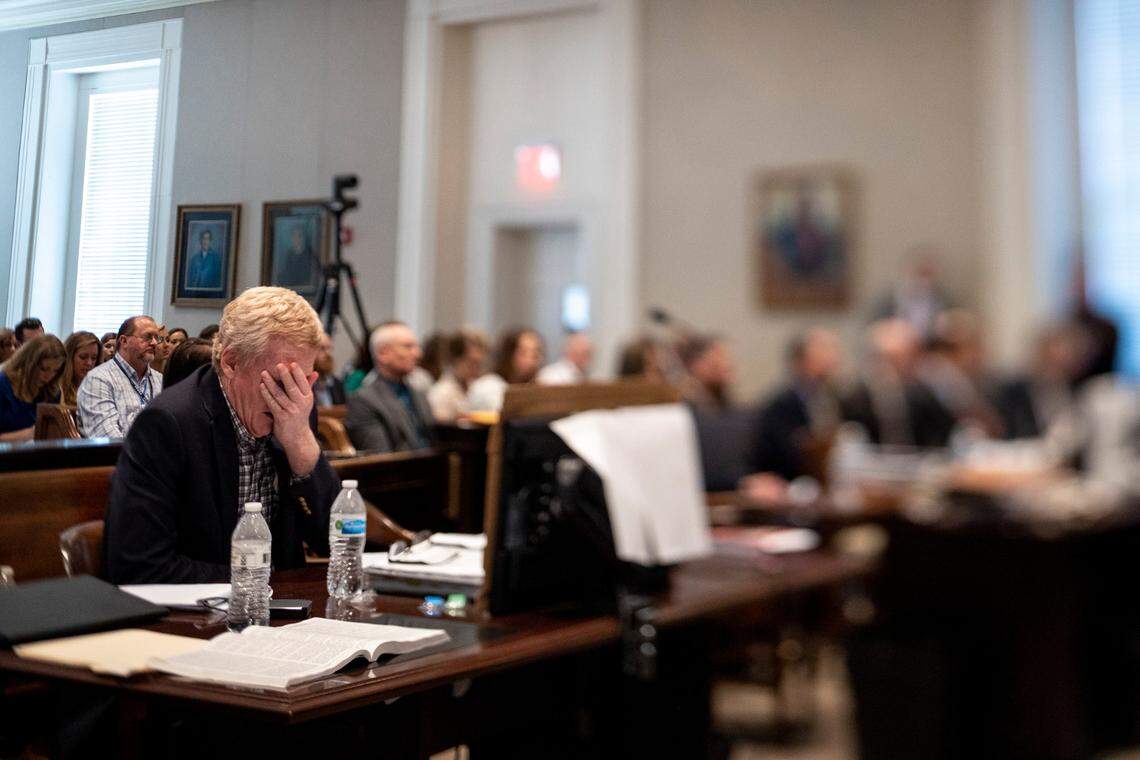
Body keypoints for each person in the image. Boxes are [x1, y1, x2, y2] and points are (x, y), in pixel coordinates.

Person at [104, 286, 337, 583]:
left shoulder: (296, 410)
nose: (293, 396)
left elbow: (332, 541)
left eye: (302, 380)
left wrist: (302, 447)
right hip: (194, 616)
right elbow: (138, 565)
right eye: (281, 380)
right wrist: (252, 581)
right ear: (231, 362)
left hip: (281, 612)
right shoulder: (168, 423)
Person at [751, 329, 844, 481]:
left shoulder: (834, 397)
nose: (834, 357)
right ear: (802, 359)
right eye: (825, 349)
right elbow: (783, 455)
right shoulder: (780, 405)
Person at [345, 322, 435, 452]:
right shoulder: (363, 401)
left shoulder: (419, 394)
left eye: (416, 346)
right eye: (408, 347)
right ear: (383, 353)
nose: (418, 354)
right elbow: (381, 459)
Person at [77, 316, 164, 439]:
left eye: (157, 338)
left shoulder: (161, 380)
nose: (154, 343)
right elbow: (107, 439)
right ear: (124, 341)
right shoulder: (98, 379)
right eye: (148, 337)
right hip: (117, 456)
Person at [870, 245, 955, 343]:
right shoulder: (888, 300)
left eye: (928, 273)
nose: (923, 280)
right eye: (920, 272)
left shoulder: (944, 300)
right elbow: (873, 328)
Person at [0, 334, 65, 441]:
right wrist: (29, 434)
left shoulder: (52, 391)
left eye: (55, 371)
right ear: (27, 363)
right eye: (43, 369)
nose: (48, 377)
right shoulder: (3, 384)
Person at [467, 328, 544, 412]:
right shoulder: (487, 386)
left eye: (536, 352)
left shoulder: (538, 388)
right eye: (523, 352)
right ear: (508, 356)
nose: (532, 360)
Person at [428, 330, 488, 422]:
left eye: (479, 363)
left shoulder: (475, 386)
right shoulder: (441, 393)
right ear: (454, 359)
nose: (477, 368)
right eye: (472, 362)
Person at [679, 334, 736, 413]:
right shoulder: (684, 404)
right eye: (719, 356)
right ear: (696, 365)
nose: (726, 364)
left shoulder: (720, 398)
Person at [60, 331, 102, 406]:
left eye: (94, 358)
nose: (89, 363)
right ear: (69, 357)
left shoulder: (101, 389)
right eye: (83, 357)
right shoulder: (57, 390)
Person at [312, 332, 345, 407]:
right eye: (322, 348)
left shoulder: (337, 384)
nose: (328, 353)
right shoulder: (303, 384)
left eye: (330, 348)